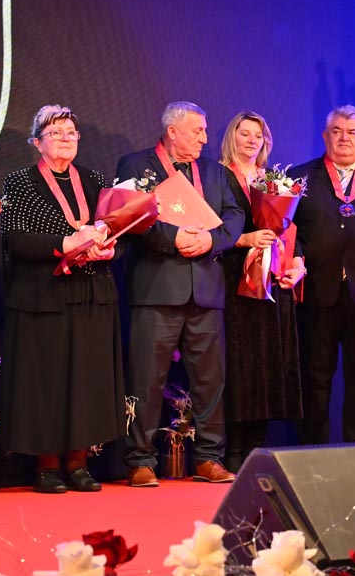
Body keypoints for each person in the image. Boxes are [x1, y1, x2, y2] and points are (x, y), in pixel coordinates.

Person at [117, 101, 244, 487]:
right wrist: (173, 238)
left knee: (210, 380)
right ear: (172, 131)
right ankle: (140, 459)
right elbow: (130, 216)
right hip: (156, 289)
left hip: (206, 290)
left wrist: (210, 240)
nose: (205, 138)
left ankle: (208, 457)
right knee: (146, 378)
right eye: (197, 131)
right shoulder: (135, 165)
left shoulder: (214, 172)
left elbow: (235, 216)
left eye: (204, 131)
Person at [0, 105, 125, 494]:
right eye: (55, 132)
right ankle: (46, 466)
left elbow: (116, 230)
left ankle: (78, 463)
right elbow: (15, 240)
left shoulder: (94, 179)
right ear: (36, 142)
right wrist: (65, 244)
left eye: (71, 132)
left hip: (91, 293)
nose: (66, 138)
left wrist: (109, 249)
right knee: (47, 382)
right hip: (43, 295)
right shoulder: (20, 182)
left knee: (86, 380)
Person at [293, 105, 355, 444]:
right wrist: (296, 258)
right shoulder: (301, 176)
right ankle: (311, 452)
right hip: (317, 290)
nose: (344, 138)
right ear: (325, 136)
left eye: (352, 132)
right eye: (336, 131)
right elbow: (288, 229)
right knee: (314, 377)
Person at [218, 111, 305, 471]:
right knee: (239, 364)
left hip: (273, 282)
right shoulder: (218, 176)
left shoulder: (273, 180)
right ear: (232, 137)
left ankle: (257, 448)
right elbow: (212, 226)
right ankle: (233, 449)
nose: (252, 140)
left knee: (267, 364)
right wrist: (245, 240)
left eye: (259, 135)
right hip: (234, 280)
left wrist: (298, 263)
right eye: (245, 133)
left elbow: (292, 228)